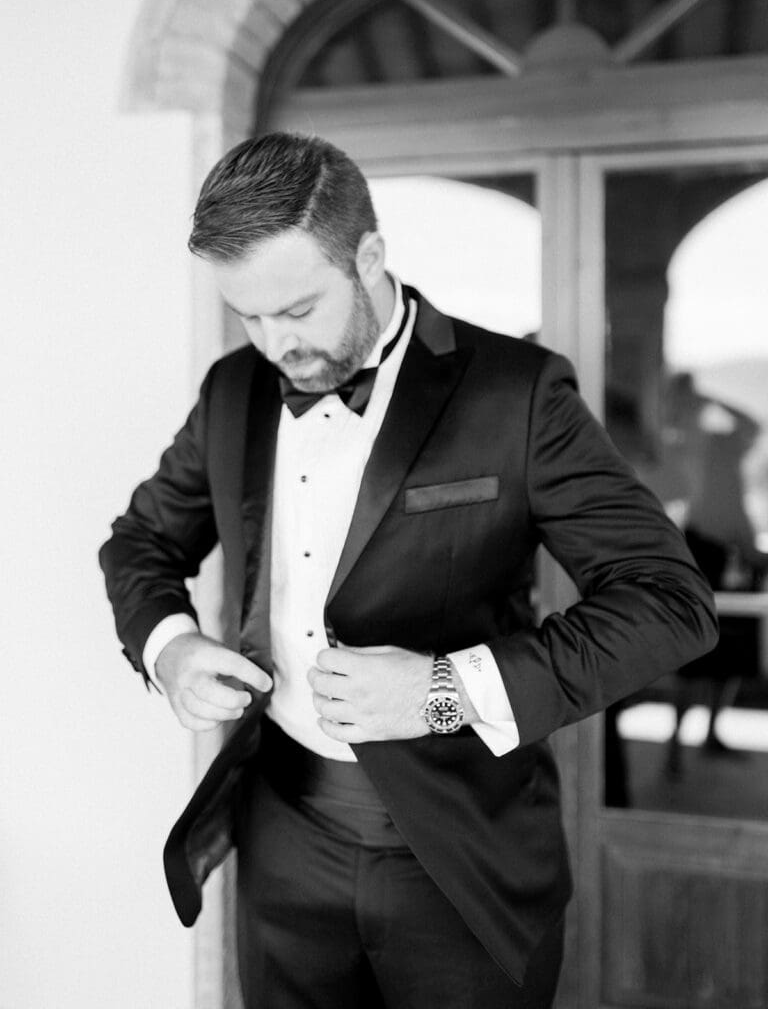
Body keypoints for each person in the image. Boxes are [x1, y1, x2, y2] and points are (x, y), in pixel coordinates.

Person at [99, 132, 718, 1009]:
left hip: (462, 857)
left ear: (371, 256)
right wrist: (171, 649)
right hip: (280, 835)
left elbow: (670, 604)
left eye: (300, 309)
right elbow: (139, 541)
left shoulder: (519, 394)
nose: (275, 344)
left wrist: (438, 690)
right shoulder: (234, 390)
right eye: (249, 315)